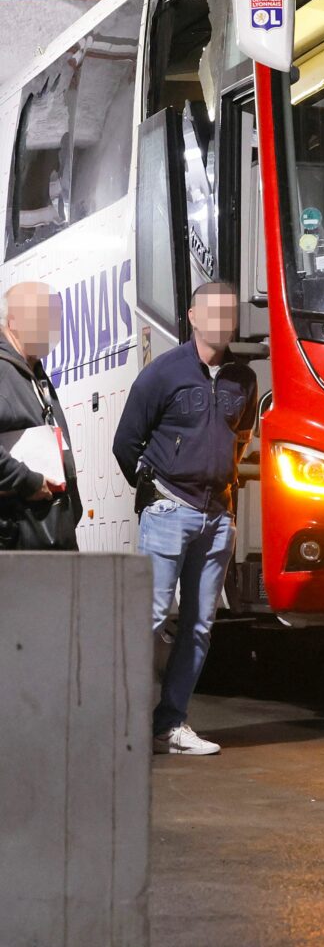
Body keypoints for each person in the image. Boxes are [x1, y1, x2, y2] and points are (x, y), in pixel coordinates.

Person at [113, 282, 257, 756]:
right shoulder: (163, 374)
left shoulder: (244, 377)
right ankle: (122, 723)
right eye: (212, 312)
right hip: (170, 510)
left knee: (199, 626)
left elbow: (242, 436)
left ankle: (169, 725)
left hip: (217, 516)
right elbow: (126, 441)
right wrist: (154, 492)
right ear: (193, 316)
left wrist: (223, 489)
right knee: (149, 618)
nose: (221, 321)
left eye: (228, 314)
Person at [0, 281, 81, 550]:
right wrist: (28, 481)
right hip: (21, 538)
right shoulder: (3, 371)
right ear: (12, 321)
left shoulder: (35, 372)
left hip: (51, 532)